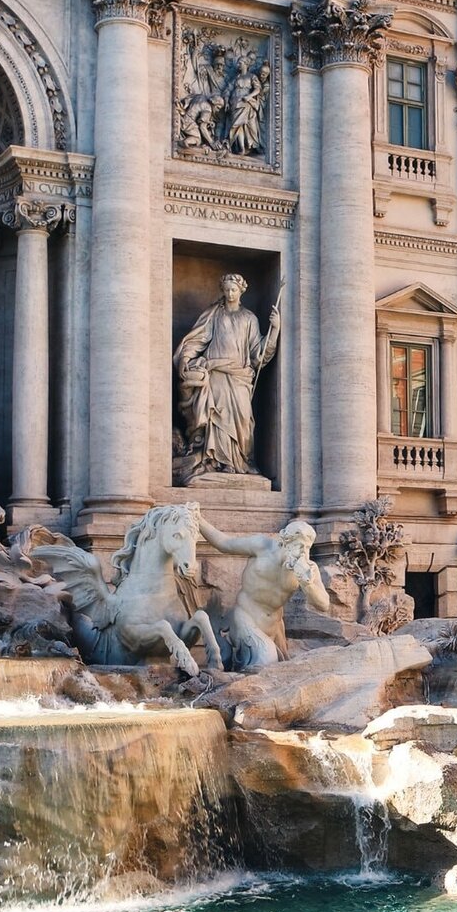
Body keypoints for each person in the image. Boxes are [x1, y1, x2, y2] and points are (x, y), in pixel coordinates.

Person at [174, 273, 279, 481]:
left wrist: (275, 329)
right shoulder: (214, 314)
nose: (230, 293)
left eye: (234, 290)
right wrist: (186, 358)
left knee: (243, 420)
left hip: (239, 376)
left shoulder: (249, 318)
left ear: (241, 291)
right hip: (216, 374)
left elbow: (258, 352)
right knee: (217, 418)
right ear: (223, 291)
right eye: (227, 290)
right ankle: (218, 462)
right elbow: (198, 339)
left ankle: (241, 461)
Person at [194, 517, 329, 670]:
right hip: (245, 617)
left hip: (275, 627)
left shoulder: (307, 568)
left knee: (276, 670)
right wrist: (197, 519)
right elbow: (224, 543)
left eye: (307, 548)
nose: (303, 553)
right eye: (299, 547)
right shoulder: (261, 546)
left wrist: (308, 584)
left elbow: (324, 604)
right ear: (284, 541)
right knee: (266, 660)